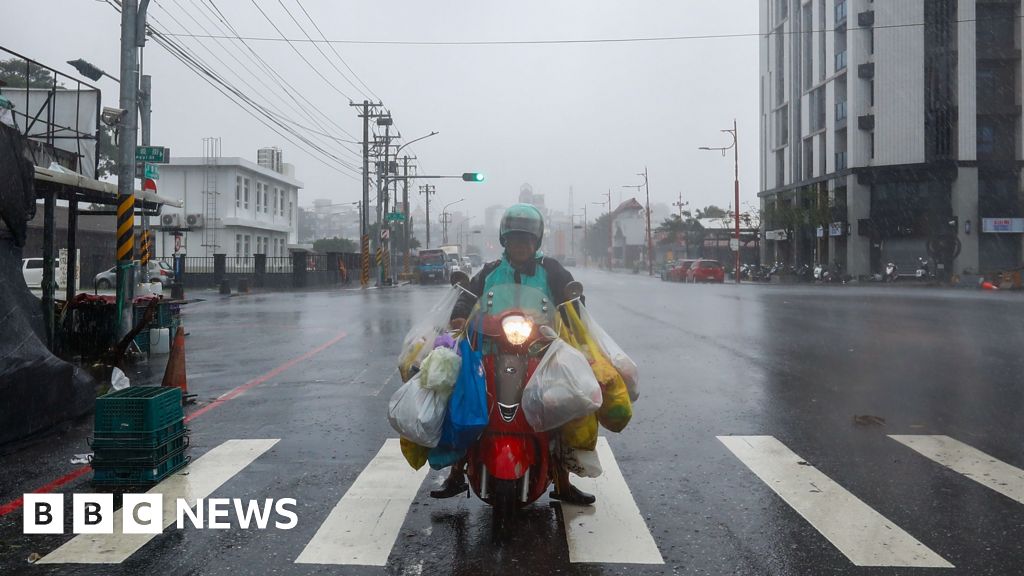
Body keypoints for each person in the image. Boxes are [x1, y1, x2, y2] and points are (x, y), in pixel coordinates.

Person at [429, 203, 596, 506]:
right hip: (492, 352)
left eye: (527, 240)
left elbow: (570, 298)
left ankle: (563, 480)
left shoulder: (552, 271)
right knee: (467, 401)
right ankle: (456, 472)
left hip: (541, 355)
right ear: (505, 242)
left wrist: (574, 307)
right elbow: (468, 297)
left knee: (561, 408)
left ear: (536, 243)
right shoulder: (491, 273)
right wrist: (459, 314)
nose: (521, 245)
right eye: (515, 239)